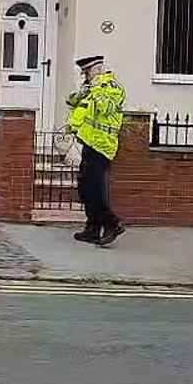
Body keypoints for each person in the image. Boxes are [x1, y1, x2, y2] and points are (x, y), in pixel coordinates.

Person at [65, 55, 126, 246]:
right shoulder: (91, 88)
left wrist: (97, 89)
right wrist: (82, 93)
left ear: (98, 69)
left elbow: (106, 109)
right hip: (89, 142)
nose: (85, 76)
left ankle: (111, 224)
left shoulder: (112, 87)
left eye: (87, 72)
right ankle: (92, 228)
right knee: (84, 187)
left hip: (102, 145)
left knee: (94, 189)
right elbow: (72, 102)